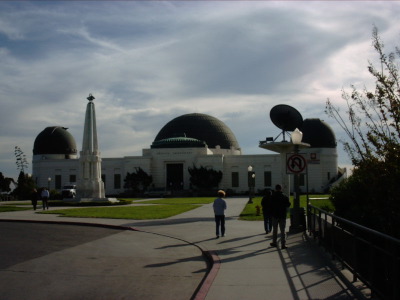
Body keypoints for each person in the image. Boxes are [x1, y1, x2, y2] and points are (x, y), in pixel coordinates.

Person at [270, 184, 291, 249]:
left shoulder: (272, 196)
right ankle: (283, 244)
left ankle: (274, 242)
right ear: (281, 189)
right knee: (282, 230)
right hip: (282, 215)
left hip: (275, 215)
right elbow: (288, 204)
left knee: (275, 230)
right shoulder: (284, 196)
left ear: (276, 189)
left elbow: (270, 205)